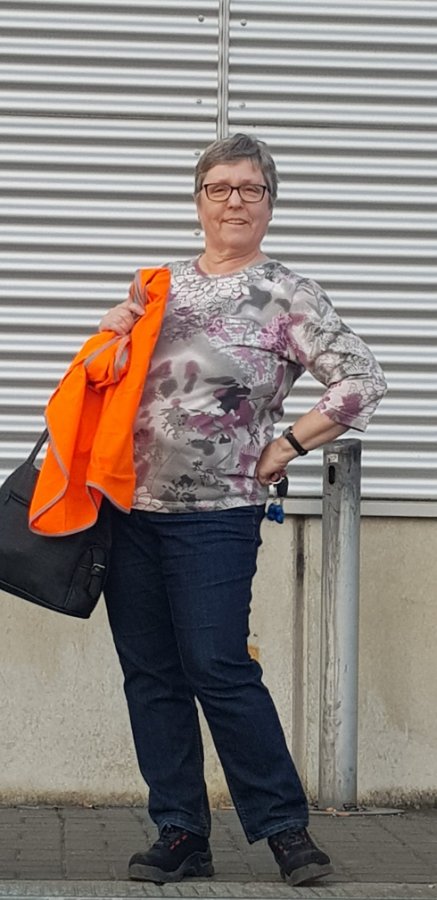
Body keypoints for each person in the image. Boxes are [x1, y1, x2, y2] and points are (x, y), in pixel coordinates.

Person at [99, 133, 387, 886]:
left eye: (250, 189)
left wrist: (285, 445)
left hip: (218, 513)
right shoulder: (158, 285)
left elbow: (360, 380)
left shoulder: (288, 293)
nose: (234, 201)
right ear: (198, 201)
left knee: (219, 666)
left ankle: (285, 830)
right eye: (219, 188)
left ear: (269, 204)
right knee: (151, 676)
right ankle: (180, 833)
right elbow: (105, 381)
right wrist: (113, 333)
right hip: (128, 509)